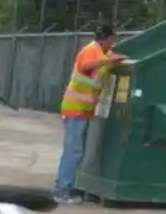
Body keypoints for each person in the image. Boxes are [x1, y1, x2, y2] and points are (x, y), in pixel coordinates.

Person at [54, 24, 125, 203]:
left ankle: (68, 186)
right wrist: (110, 61)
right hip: (75, 108)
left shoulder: (101, 53)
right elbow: (85, 65)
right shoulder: (90, 51)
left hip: (83, 110)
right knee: (73, 151)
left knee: (77, 151)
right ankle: (63, 190)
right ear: (107, 38)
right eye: (112, 39)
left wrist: (112, 58)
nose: (113, 43)